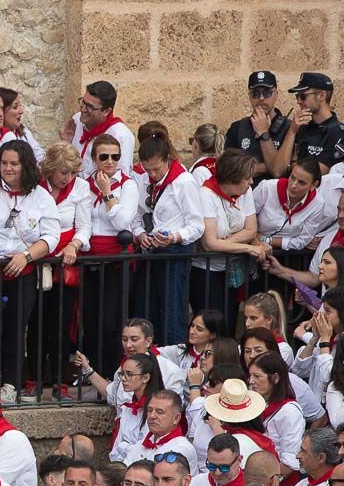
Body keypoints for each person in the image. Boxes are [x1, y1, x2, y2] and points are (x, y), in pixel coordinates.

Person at [0, 140, 60, 397]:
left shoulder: (40, 196)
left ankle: (11, 385)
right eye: (4, 163)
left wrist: (27, 256)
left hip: (23, 272)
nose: (8, 169)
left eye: (14, 164)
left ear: (26, 166)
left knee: (15, 328)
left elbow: (51, 236)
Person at [26, 142, 94, 400]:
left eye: (73, 172)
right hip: (36, 260)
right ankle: (33, 380)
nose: (68, 178)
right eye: (63, 172)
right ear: (51, 169)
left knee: (61, 323)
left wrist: (74, 246)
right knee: (35, 322)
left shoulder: (81, 188)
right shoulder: (35, 186)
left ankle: (59, 382)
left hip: (64, 264)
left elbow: (84, 226)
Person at [132, 136, 204, 345]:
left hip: (174, 253)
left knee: (172, 312)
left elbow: (196, 226)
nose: (152, 174)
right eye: (148, 170)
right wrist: (141, 235)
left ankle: (172, 360)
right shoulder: (146, 180)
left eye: (156, 169)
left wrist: (174, 236)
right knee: (146, 309)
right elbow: (136, 216)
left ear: (168, 160)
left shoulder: (184, 182)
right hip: (150, 252)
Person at [191, 149, 261, 325]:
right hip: (207, 271)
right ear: (233, 178)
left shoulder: (246, 192)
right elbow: (209, 244)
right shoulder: (206, 194)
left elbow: (251, 229)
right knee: (209, 326)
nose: (251, 182)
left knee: (229, 322)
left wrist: (222, 243)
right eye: (247, 178)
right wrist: (247, 247)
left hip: (231, 269)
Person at [224, 71, 290, 181]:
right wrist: (266, 167)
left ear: (276, 95)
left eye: (267, 93)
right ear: (249, 96)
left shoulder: (289, 128)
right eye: (255, 93)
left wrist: (263, 133)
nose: (261, 98)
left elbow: (282, 172)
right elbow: (228, 170)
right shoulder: (237, 128)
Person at [253, 158, 330, 252]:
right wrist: (257, 242)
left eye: (301, 182)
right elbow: (245, 220)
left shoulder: (317, 203)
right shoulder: (267, 187)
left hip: (286, 254)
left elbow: (302, 241)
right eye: (292, 177)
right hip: (253, 245)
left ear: (313, 185)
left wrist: (266, 240)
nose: (293, 185)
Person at [276, 73, 344, 175]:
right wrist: (292, 131)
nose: (298, 101)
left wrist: (293, 163)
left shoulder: (338, 132)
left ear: (321, 95)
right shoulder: (301, 127)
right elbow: (278, 171)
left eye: (303, 96)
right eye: (297, 96)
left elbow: (316, 174)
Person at [65, 80, 135, 178]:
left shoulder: (121, 136)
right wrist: (65, 144)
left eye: (90, 107)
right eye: (83, 102)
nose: (83, 109)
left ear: (106, 111)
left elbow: (119, 179)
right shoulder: (77, 120)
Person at [249, 352, 306, 472]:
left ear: (275, 378)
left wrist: (264, 482)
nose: (251, 381)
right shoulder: (256, 405)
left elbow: (291, 460)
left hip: (278, 483)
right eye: (250, 376)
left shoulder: (289, 411)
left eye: (257, 376)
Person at [124, 390, 199, 467]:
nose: (152, 416)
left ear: (176, 418)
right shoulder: (141, 444)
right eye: (149, 410)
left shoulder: (181, 448)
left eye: (159, 412)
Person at [1, 87, 46, 163]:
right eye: (15, 107)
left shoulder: (23, 132)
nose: (21, 111)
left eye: (20, 106)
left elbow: (39, 157)